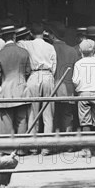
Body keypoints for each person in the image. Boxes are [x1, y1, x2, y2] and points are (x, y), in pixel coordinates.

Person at [0, 26, 31, 148]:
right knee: (22, 120)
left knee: (6, 120)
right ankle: (21, 149)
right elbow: (28, 71)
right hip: (22, 89)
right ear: (14, 37)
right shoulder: (24, 52)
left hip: (5, 90)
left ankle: (7, 149)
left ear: (3, 38)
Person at [17, 22, 57, 151]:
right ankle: (46, 147)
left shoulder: (26, 44)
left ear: (31, 33)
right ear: (43, 32)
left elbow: (17, 42)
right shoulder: (50, 47)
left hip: (34, 76)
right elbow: (54, 65)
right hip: (48, 74)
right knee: (48, 114)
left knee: (33, 113)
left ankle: (33, 147)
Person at [72, 39, 95, 158]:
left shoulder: (78, 63)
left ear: (81, 50)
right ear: (93, 50)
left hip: (83, 93)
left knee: (85, 121)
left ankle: (87, 150)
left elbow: (75, 80)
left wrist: (79, 87)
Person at [46, 23, 79, 134]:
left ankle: (54, 143)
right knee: (67, 116)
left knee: (52, 116)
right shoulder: (72, 51)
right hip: (68, 88)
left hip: (52, 87)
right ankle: (68, 142)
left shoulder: (49, 49)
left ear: (53, 35)